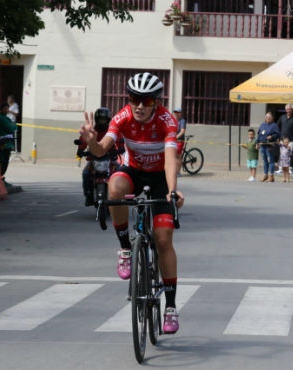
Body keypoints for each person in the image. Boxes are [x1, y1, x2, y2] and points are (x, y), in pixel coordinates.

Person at [80, 72, 184, 334]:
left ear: (156, 102)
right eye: (134, 98)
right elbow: (102, 149)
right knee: (114, 186)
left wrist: (172, 191)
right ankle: (126, 247)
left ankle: (170, 306)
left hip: (160, 177)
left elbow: (171, 158)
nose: (139, 105)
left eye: (146, 101)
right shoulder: (123, 116)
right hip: (133, 172)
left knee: (163, 239)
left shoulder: (166, 121)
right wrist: (91, 141)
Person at [77, 107, 114, 206]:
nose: (102, 122)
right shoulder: (91, 130)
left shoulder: (112, 131)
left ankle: (117, 197)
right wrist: (80, 150)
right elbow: (84, 140)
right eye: (100, 119)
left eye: (104, 119)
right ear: (97, 120)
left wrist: (120, 149)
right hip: (94, 160)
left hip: (110, 160)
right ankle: (88, 195)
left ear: (108, 120)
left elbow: (118, 141)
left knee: (119, 171)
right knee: (85, 173)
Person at [256, 112, 280, 182]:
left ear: (272, 118)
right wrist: (257, 143)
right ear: (265, 118)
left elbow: (278, 134)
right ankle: (265, 175)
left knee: (271, 161)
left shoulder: (274, 125)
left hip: (270, 146)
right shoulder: (262, 125)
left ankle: (271, 176)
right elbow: (259, 135)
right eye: (267, 117)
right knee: (265, 161)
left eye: (269, 117)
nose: (268, 118)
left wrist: (272, 136)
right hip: (262, 146)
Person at [0, 102, 17, 176]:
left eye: (7, 108)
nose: (7, 110)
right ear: (1, 109)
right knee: (3, 161)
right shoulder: (1, 119)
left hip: (8, 142)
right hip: (4, 143)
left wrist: (12, 125)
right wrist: (14, 126)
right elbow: (11, 128)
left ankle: (1, 175)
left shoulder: (6, 118)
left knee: (5, 161)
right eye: (5, 109)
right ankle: (0, 175)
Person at [276, 103, 293, 174]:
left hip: (291, 140)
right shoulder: (282, 117)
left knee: (288, 154)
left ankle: (289, 168)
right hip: (282, 139)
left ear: (292, 110)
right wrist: (277, 137)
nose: (289, 110)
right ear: (285, 110)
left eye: (290, 109)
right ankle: (281, 168)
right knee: (282, 154)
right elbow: (277, 127)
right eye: (287, 109)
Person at [173, 107, 186, 176]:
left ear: (180, 113)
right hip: (174, 141)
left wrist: (175, 137)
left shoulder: (182, 121)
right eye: (175, 112)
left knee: (178, 156)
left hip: (179, 141)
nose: (176, 114)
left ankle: (178, 172)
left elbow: (182, 131)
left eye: (178, 112)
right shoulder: (174, 120)